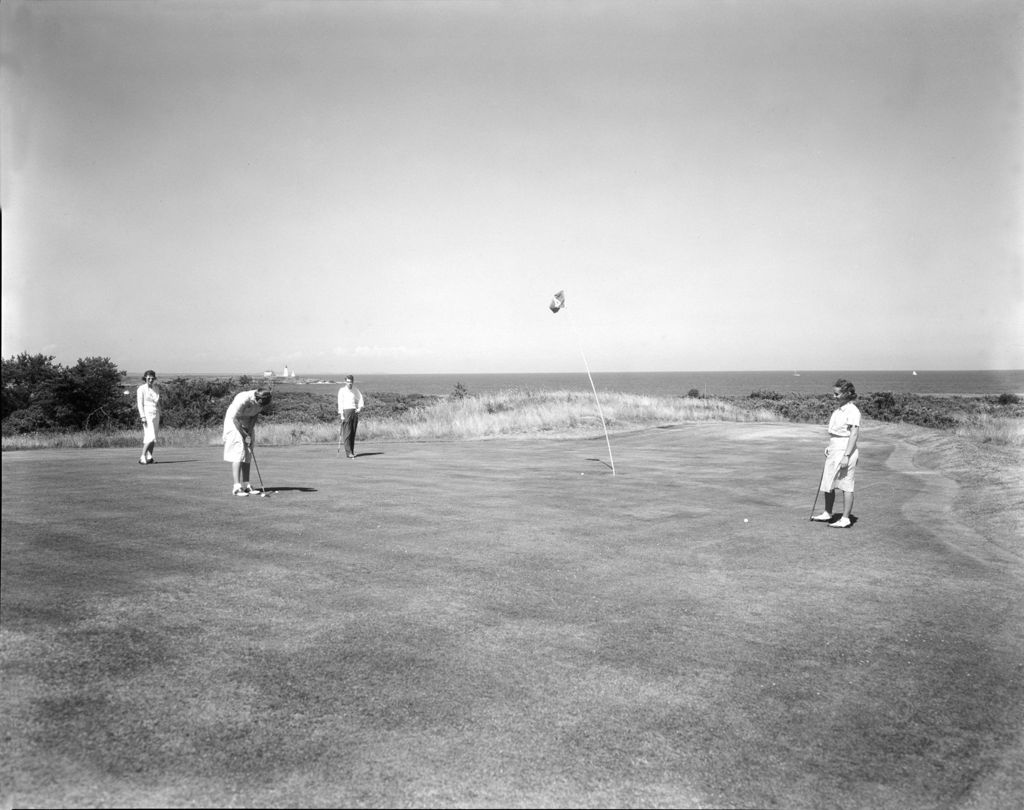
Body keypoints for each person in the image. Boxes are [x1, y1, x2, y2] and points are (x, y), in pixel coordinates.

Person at [811, 378, 861, 528]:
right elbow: (836, 433)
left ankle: (845, 518)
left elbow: (853, 434)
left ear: (846, 393)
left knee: (846, 484)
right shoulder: (838, 410)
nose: (834, 397)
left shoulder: (852, 411)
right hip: (835, 447)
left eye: (837, 394)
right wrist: (830, 446)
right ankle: (828, 513)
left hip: (846, 449)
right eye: (834, 394)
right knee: (828, 482)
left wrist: (846, 455)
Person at [223, 387, 272, 496]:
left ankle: (246, 485)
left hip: (247, 421)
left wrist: (249, 432)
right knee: (239, 451)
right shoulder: (244, 399)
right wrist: (244, 434)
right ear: (257, 397)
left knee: (248, 452)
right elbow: (235, 418)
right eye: (260, 402)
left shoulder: (263, 401)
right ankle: (236, 487)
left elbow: (255, 415)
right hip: (233, 421)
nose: (261, 405)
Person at [136, 370, 162, 464]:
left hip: (156, 413)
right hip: (147, 414)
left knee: (154, 436)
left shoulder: (156, 388)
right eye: (149, 378)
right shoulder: (141, 389)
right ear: (145, 378)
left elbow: (158, 402)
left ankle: (149, 457)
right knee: (150, 436)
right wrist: (142, 417)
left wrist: (160, 412)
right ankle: (142, 457)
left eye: (152, 378)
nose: (150, 380)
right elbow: (140, 404)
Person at [337, 374, 365, 458]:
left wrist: (359, 408)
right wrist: (341, 414)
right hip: (346, 412)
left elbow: (360, 398)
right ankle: (348, 453)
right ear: (345, 382)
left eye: (351, 382)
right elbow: (340, 402)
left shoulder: (355, 390)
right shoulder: (342, 390)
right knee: (347, 433)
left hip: (354, 411)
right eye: (348, 382)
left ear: (353, 382)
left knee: (353, 433)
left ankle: (352, 451)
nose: (349, 383)